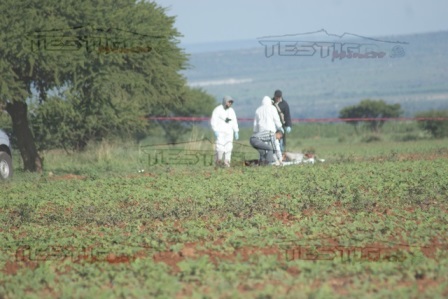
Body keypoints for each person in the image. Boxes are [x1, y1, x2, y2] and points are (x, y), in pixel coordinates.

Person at [210, 95, 239, 167]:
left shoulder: (231, 111)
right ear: (225, 101)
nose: (230, 103)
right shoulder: (217, 110)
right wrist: (215, 130)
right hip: (220, 132)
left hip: (229, 133)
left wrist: (236, 131)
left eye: (231, 102)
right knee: (220, 148)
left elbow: (234, 121)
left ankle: (227, 164)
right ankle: (218, 162)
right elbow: (213, 121)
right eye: (229, 102)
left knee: (229, 148)